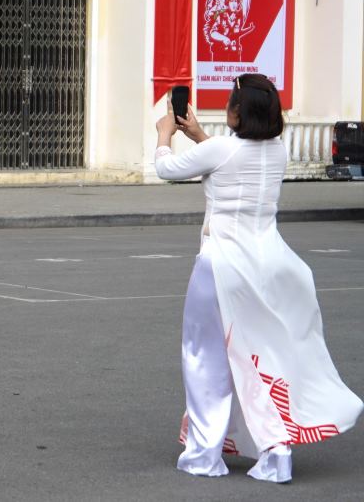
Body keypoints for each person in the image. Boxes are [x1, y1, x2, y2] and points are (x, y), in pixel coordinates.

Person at [155, 74, 362, 483]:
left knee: (206, 359)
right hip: (269, 264)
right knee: (261, 359)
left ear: (235, 112)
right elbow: (231, 161)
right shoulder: (278, 151)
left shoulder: (221, 150)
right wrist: (198, 134)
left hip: (221, 265)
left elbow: (167, 169)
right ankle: (275, 452)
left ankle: (204, 454)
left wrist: (166, 133)